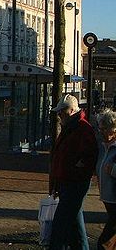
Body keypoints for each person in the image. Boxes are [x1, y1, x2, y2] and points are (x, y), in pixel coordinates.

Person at [50, 94, 98, 250]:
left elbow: (88, 156)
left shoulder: (81, 129)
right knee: (75, 223)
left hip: (73, 182)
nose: (59, 115)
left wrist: (76, 170)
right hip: (69, 180)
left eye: (61, 112)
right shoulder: (73, 127)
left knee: (61, 223)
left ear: (70, 111)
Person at [97, 109, 116, 250]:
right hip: (108, 199)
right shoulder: (105, 147)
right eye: (100, 128)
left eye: (104, 129)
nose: (101, 132)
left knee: (104, 243)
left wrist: (113, 170)